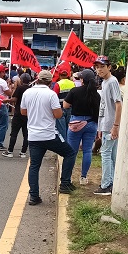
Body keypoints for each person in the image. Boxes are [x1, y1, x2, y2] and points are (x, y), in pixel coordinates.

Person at [21, 70, 77, 205]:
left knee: (34, 166)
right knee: (70, 153)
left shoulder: (27, 92)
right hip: (49, 135)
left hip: (34, 136)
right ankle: (65, 183)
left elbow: (23, 112)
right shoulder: (51, 94)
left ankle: (34, 196)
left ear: (37, 79)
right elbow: (58, 115)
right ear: (51, 82)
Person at [64, 69, 100, 185]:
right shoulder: (96, 95)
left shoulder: (75, 91)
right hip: (91, 124)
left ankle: (68, 177)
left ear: (82, 80)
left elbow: (65, 105)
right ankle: (83, 177)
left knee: (71, 152)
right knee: (87, 150)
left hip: (76, 123)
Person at [94, 56, 122, 195]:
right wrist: (100, 126)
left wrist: (115, 126)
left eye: (102, 66)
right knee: (112, 154)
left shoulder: (112, 82)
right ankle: (113, 183)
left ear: (109, 67)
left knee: (106, 153)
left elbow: (119, 104)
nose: (99, 69)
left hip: (111, 125)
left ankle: (106, 185)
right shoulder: (105, 82)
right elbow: (103, 106)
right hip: (106, 124)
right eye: (97, 67)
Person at [4, 73, 32, 159]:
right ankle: (23, 152)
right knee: (26, 134)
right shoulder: (31, 89)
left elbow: (14, 99)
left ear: (21, 80)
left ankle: (10, 151)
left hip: (18, 113)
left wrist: (7, 101)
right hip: (28, 114)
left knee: (14, 133)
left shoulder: (20, 88)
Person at [56, 69, 75, 141]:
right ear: (67, 75)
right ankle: (69, 141)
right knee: (69, 127)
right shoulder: (72, 83)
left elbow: (54, 96)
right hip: (70, 107)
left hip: (60, 108)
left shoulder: (58, 84)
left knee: (61, 128)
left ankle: (64, 142)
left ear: (60, 75)